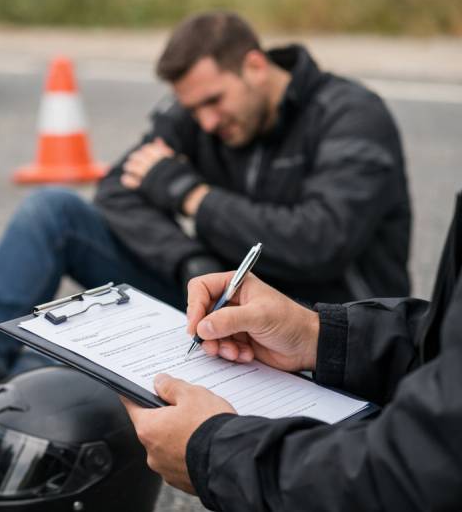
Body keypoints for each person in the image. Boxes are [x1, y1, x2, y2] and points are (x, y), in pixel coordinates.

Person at [0, 10, 411, 398]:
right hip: (215, 313)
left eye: (214, 101)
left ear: (254, 65)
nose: (206, 122)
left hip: (315, 333)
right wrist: (193, 263)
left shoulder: (351, 116)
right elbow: (117, 191)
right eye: (194, 110)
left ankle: (3, 386)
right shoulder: (198, 111)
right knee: (53, 211)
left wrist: (192, 195)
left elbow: (319, 241)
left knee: (38, 386)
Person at [121, 190, 462, 510]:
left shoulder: (351, 126)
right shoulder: (183, 125)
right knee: (66, 209)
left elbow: (420, 471)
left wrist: (215, 451)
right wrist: (320, 335)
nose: (208, 122)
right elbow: (450, 350)